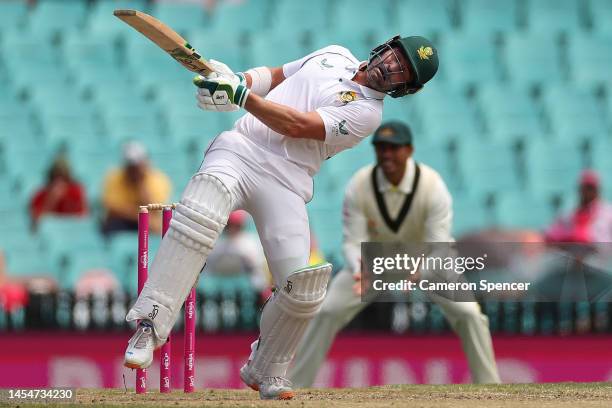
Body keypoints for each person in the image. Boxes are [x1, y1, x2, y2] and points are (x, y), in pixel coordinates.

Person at [123, 35, 440, 399]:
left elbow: (295, 124)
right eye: (396, 56)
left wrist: (240, 97)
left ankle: (266, 369)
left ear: (406, 89)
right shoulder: (333, 53)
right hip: (241, 150)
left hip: (289, 179)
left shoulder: (367, 113)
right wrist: (239, 80)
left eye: (403, 71)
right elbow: (276, 76)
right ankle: (150, 324)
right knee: (200, 211)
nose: (392, 67)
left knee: (303, 286)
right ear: (385, 47)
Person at [289, 121, 501, 386]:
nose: (387, 154)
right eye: (381, 148)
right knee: (328, 312)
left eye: (394, 148)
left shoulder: (432, 186)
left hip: (426, 260)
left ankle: (490, 387)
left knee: (470, 314)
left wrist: (421, 271)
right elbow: (353, 241)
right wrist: (359, 269)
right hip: (375, 262)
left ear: (409, 150)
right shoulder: (360, 184)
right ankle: (296, 386)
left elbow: (440, 244)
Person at [101, 141, 172, 235]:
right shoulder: (114, 177)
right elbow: (113, 209)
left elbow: (154, 210)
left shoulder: (158, 179)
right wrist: (139, 216)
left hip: (145, 222)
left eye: (136, 165)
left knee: (155, 228)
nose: (133, 170)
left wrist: (141, 183)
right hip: (121, 223)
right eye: (131, 166)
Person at [545, 170, 612, 243]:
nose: (588, 191)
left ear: (597, 189)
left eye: (591, 188)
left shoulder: (608, 212)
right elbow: (551, 233)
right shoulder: (569, 212)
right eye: (585, 187)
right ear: (579, 189)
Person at [29, 155, 87, 230]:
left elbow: (83, 216)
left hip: (72, 231)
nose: (59, 181)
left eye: (63, 176)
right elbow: (36, 221)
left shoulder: (76, 191)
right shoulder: (41, 194)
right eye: (56, 176)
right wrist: (52, 199)